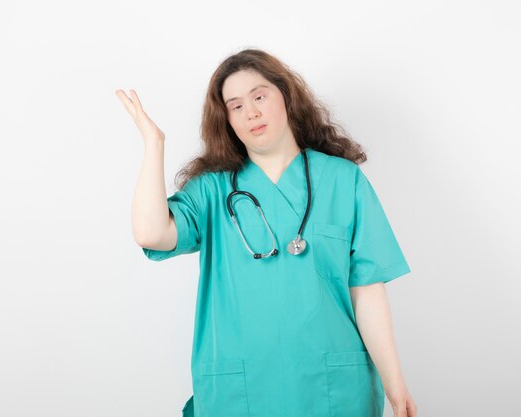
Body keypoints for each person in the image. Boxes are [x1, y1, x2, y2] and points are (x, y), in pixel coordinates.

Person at [116, 48, 417, 417]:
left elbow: (367, 292)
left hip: (332, 391)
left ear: (286, 97)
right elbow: (150, 233)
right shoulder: (212, 191)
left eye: (259, 96)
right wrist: (153, 144)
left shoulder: (343, 181)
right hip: (240, 391)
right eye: (236, 106)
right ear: (226, 119)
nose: (252, 112)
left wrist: (395, 384)